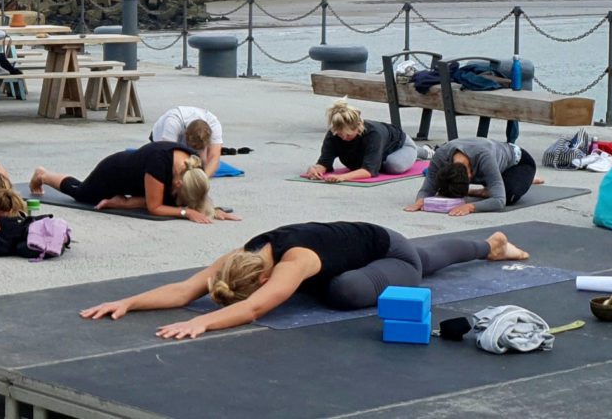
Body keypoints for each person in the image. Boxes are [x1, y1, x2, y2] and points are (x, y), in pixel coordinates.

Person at [79, 222, 530, 339]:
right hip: (356, 250)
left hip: (388, 251)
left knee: (346, 291)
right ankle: (491, 246)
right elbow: (184, 289)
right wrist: (128, 302)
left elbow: (255, 309)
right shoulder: (241, 256)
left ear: (266, 276)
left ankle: (487, 247)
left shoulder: (293, 262)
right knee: (429, 257)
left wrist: (203, 324)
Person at [30, 140, 237, 224]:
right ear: (178, 184)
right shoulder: (158, 163)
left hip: (143, 183)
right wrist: (186, 212)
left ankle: (121, 202)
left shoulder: (193, 165)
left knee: (171, 201)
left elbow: (198, 194)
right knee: (81, 193)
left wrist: (211, 209)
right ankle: (44, 175)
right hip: (114, 172)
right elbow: (155, 207)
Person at [410, 137, 540, 216]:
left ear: (470, 175)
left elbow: (500, 201)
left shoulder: (484, 157)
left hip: (518, 162)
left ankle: (524, 179)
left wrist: (471, 207)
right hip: (494, 165)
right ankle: (494, 182)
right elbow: (428, 188)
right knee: (495, 183)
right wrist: (421, 200)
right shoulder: (441, 156)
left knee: (509, 195)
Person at [304, 100, 419, 182]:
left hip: (399, 145)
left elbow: (368, 171)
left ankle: (422, 151)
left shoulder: (373, 134)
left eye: (348, 135)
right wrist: (315, 169)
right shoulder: (333, 134)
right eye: (340, 135)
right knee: (368, 163)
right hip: (377, 150)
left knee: (393, 165)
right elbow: (324, 163)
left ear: (358, 128)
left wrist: (342, 177)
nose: (344, 138)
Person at [147, 106, 224, 172]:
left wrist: (203, 177)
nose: (197, 149)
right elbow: (167, 156)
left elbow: (214, 158)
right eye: (195, 147)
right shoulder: (172, 123)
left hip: (189, 136)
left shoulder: (214, 124)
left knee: (202, 161)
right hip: (160, 138)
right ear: (186, 135)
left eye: (201, 147)